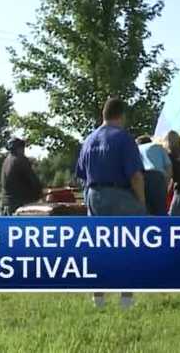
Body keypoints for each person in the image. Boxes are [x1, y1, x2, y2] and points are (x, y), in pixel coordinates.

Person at [73, 98, 145, 309]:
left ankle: (98, 298)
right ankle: (126, 299)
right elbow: (135, 176)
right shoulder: (124, 138)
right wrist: (141, 201)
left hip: (94, 194)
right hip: (120, 195)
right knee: (127, 247)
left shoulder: (88, 140)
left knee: (98, 247)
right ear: (121, 115)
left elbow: (80, 174)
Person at [0, 137, 44, 216]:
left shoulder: (6, 161)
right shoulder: (20, 160)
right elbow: (33, 181)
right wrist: (40, 193)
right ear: (19, 148)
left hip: (5, 203)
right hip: (19, 204)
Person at [136, 135, 171, 216]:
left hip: (143, 177)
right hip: (158, 177)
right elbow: (169, 166)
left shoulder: (136, 149)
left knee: (145, 208)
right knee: (161, 208)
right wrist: (166, 183)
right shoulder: (158, 147)